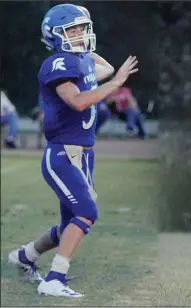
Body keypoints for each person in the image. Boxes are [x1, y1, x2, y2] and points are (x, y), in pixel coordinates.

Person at [8, 3, 138, 298]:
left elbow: (102, 69)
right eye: (72, 29)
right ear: (55, 36)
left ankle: (25, 256)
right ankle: (54, 278)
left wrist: (83, 47)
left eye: (83, 28)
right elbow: (78, 101)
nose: (80, 34)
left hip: (83, 153)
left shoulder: (79, 61)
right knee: (87, 211)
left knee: (70, 224)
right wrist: (116, 82)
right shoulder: (57, 64)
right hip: (63, 153)